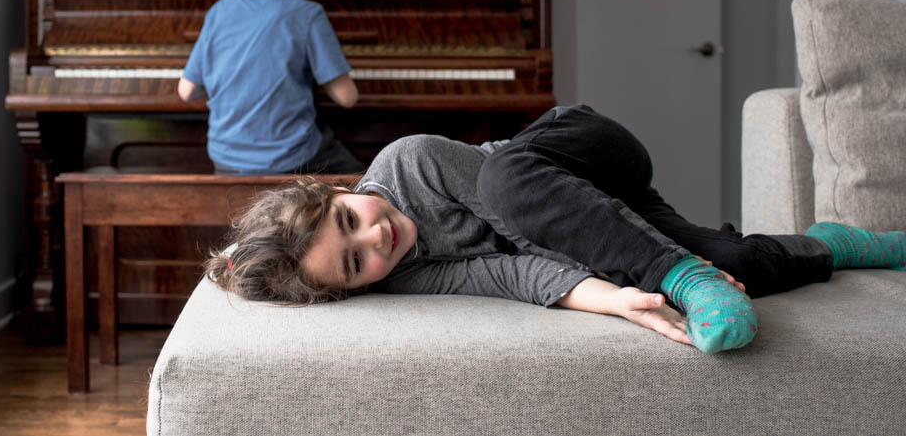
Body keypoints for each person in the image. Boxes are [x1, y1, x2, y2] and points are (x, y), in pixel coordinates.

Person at [206, 104, 906, 353]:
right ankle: (840, 242)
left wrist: (641, 275)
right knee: (740, 261)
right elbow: (504, 273)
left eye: (350, 221)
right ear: (352, 290)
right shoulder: (410, 274)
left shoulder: (408, 162)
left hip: (583, 149)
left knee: (505, 180)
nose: (375, 238)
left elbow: (526, 232)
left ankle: (682, 273)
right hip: (611, 222)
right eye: (355, 263)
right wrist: (614, 298)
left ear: (338, 190)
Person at [178, 0, 365, 175]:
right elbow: (348, 97)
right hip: (290, 161)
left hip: (226, 162)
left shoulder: (219, 10)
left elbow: (186, 91)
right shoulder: (307, 14)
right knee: (365, 182)